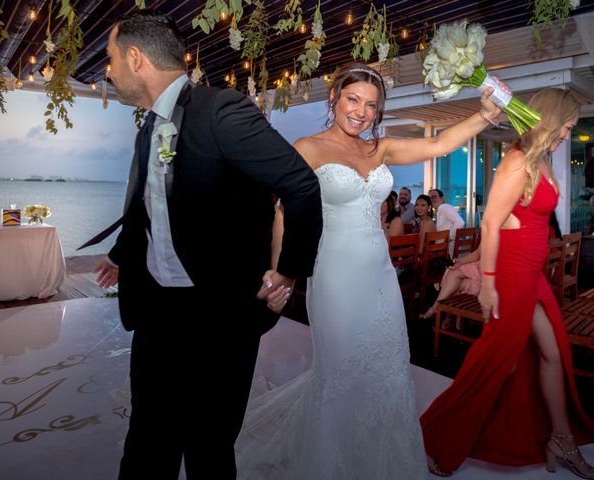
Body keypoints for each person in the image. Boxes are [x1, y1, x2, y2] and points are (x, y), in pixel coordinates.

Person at [235, 63, 505, 479]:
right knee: (341, 374)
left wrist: (484, 114)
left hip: (380, 279)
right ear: (334, 99)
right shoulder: (308, 148)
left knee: (387, 371)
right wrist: (279, 273)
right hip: (334, 279)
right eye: (353, 99)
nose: (361, 112)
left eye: (371, 105)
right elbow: (283, 217)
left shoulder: (379, 148)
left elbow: (440, 146)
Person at [85, 11, 323, 479]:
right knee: (147, 442)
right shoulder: (146, 130)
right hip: (157, 314)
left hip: (218, 319)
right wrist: (122, 255)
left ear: (136, 58)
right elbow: (148, 208)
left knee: (209, 450)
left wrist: (289, 270)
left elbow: (301, 185)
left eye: (110, 58)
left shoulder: (221, 111)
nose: (107, 70)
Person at [421, 88, 594, 477]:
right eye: (566, 126)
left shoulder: (540, 160)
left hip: (533, 275)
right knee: (495, 360)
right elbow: (489, 222)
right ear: (549, 119)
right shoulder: (517, 161)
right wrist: (488, 282)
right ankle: (437, 436)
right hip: (513, 273)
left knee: (552, 352)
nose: (567, 133)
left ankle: (560, 439)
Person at [428, 188, 464, 257]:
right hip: (444, 249)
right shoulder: (440, 210)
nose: (432, 199)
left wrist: (448, 239)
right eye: (430, 198)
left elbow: (460, 222)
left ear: (442, 198)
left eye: (434, 197)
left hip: (447, 250)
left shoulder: (444, 207)